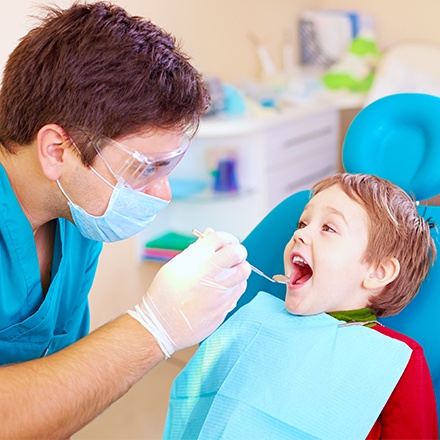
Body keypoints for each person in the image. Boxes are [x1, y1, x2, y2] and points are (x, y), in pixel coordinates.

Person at [0, 2, 251, 438]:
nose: (164, 193)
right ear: (57, 151)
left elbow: (60, 385)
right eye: (146, 168)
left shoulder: (77, 223)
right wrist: (153, 327)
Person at [165, 173, 438, 439]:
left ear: (378, 272)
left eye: (328, 228)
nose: (301, 235)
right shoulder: (257, 320)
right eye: (302, 223)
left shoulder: (395, 360)